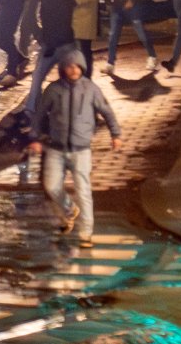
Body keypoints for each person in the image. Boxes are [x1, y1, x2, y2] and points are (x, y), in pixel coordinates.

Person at [28, 45, 121, 245]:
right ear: (63, 68)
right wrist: (35, 137)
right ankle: (70, 209)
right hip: (56, 147)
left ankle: (86, 234)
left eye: (77, 66)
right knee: (51, 186)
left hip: (81, 149)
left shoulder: (91, 89)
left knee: (84, 191)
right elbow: (40, 114)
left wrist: (116, 134)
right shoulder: (53, 90)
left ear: (82, 67)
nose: (74, 70)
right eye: (69, 66)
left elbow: (106, 111)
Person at [21, 0, 79, 120]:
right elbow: (72, 6)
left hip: (53, 45)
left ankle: (31, 110)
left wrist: (44, 41)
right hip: (68, 42)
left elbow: (49, 24)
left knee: (38, 76)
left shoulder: (47, 1)